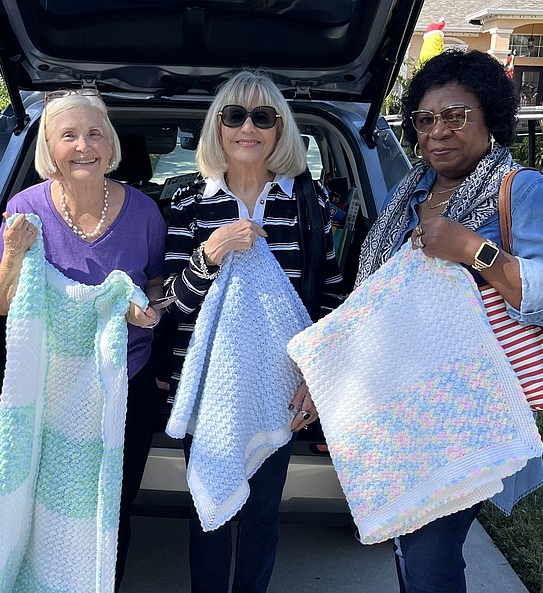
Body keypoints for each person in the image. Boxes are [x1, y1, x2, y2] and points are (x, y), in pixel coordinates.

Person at [355, 49, 543, 593]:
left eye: (456, 116)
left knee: (428, 554)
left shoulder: (524, 190)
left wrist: (472, 249)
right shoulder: (408, 194)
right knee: (411, 548)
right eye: (425, 119)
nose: (438, 132)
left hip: (469, 413)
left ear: (490, 120)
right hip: (401, 403)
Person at [162, 70, 344, 593]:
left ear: (279, 129)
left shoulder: (308, 205)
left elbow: (329, 298)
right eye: (234, 116)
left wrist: (316, 380)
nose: (248, 128)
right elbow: (173, 305)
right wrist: (210, 252)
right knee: (209, 513)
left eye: (262, 117)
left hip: (282, 389)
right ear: (216, 128)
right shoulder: (187, 204)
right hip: (208, 389)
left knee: (264, 515)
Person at [0, 89, 167, 590]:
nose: (82, 145)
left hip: (124, 387)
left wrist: (148, 310)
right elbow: (0, 302)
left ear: (110, 145)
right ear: (49, 148)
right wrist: (16, 253)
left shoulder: (146, 213)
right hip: (50, 389)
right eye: (68, 135)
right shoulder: (25, 208)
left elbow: (154, 284)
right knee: (46, 508)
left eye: (94, 134)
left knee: (111, 509)